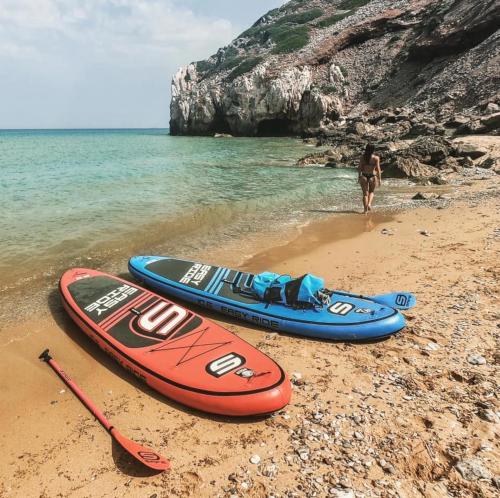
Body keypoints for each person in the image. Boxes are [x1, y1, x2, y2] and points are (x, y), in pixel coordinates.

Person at [358, 143, 381, 214]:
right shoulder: (376, 158)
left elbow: (359, 168)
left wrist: (359, 176)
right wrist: (379, 179)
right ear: (373, 150)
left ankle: (365, 211)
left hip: (364, 176)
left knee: (365, 194)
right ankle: (369, 204)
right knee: (371, 192)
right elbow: (378, 169)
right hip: (372, 176)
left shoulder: (362, 157)